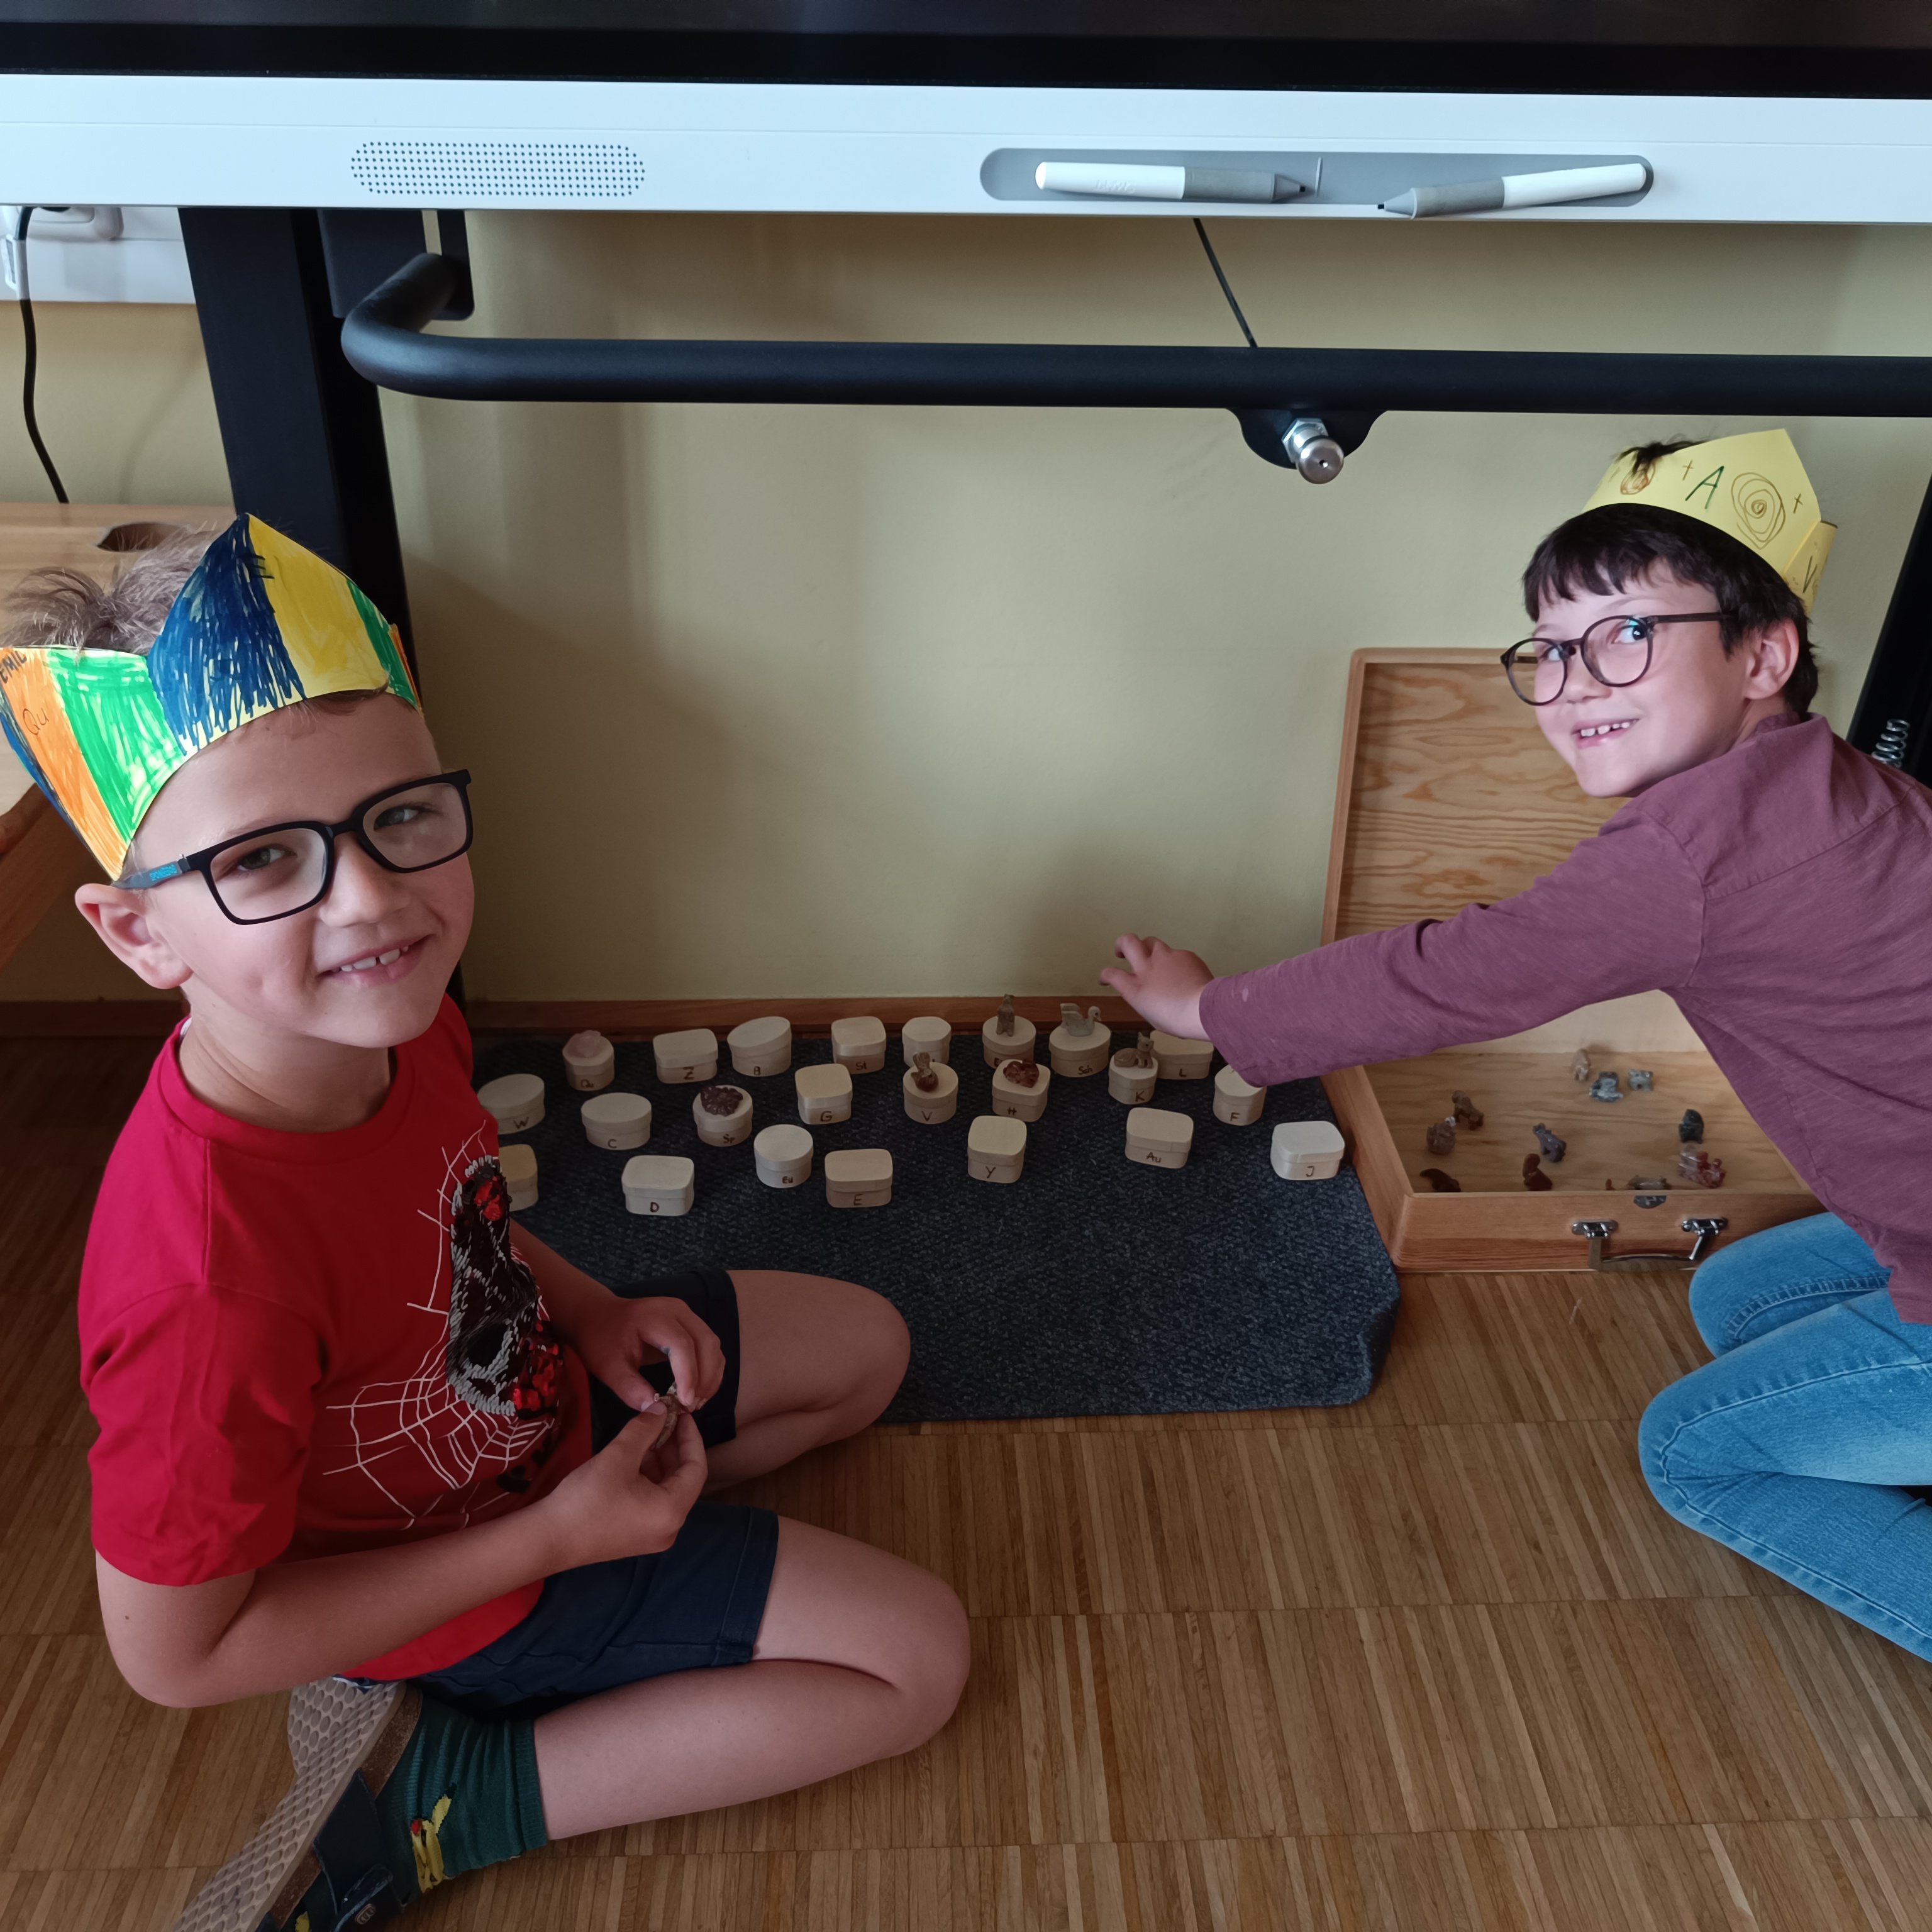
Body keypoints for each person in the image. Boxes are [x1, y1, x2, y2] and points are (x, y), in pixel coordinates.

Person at [1, 518, 967, 1932]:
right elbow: (176, 1656)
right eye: (262, 861)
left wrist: (590, 1310)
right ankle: (455, 1794)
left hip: (530, 1420)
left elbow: (458, 1224)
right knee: (915, 1661)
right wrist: (555, 1543)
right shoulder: (205, 1288)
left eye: (399, 816)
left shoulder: (393, 1024)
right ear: (140, 934)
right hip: (459, 1581)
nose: (373, 899)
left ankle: (628, 1554)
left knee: (866, 1348)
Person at [1101, 428, 1932, 1662]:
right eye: (1549, 649)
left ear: (1765, 655)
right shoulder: (1837, 783)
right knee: (1738, 1295)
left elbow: (1455, 976)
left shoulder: (1689, 856)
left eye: (1627, 634)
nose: (1575, 683)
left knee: (1693, 1454)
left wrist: (1210, 1010)